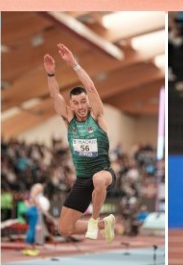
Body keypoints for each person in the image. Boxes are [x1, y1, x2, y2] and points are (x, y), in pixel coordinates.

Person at [44, 44, 116, 243]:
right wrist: (51, 74)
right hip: (82, 180)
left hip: (104, 173)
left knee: (99, 180)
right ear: (72, 106)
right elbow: (54, 96)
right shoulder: (69, 121)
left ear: (88, 102)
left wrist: (73, 64)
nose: (81, 106)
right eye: (76, 103)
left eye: (83, 101)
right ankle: (104, 223)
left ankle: (94, 220)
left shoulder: (97, 116)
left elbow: (91, 87)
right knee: (64, 229)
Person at [21, 182, 51, 256]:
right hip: (33, 210)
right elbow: (33, 196)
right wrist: (39, 205)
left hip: (32, 209)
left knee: (33, 229)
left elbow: (30, 198)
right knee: (33, 229)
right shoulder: (39, 187)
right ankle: (29, 246)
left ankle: (31, 245)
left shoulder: (34, 189)